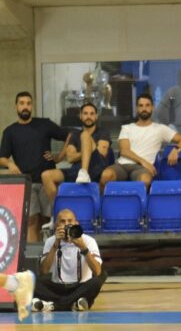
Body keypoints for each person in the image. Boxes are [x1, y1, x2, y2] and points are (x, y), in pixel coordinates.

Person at [0, 91, 71, 242]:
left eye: (28, 103)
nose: (25, 107)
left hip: (47, 182)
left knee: (48, 221)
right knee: (31, 221)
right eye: (22, 103)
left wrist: (59, 156)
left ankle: (48, 257)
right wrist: (10, 164)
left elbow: (70, 136)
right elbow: (2, 158)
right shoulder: (10, 131)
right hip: (27, 184)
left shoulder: (44, 124)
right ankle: (34, 261)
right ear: (16, 106)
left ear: (32, 106)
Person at [100, 94, 181, 191]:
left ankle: (138, 205)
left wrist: (176, 150)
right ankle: (101, 205)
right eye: (141, 106)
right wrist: (144, 162)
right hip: (122, 165)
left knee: (145, 180)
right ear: (137, 109)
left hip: (142, 170)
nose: (144, 108)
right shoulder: (127, 128)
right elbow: (124, 151)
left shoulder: (160, 129)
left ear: (152, 108)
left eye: (147, 105)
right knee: (106, 175)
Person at [34, 208, 105, 312]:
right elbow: (43, 271)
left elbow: (97, 271)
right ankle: (75, 303)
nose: (67, 225)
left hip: (80, 288)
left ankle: (55, 305)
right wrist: (55, 245)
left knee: (100, 277)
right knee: (31, 281)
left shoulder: (88, 241)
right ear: (56, 225)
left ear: (76, 223)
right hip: (58, 287)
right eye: (62, 222)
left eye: (70, 221)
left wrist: (83, 248)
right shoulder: (51, 241)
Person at [41, 102, 112, 204]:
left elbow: (102, 152)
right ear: (80, 116)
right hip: (76, 171)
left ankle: (84, 172)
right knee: (46, 175)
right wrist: (89, 150)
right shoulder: (74, 134)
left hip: (98, 167)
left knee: (85, 135)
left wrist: (84, 151)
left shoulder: (103, 132)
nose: (89, 116)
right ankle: (57, 212)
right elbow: (70, 157)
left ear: (96, 117)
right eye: (85, 113)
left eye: (92, 114)